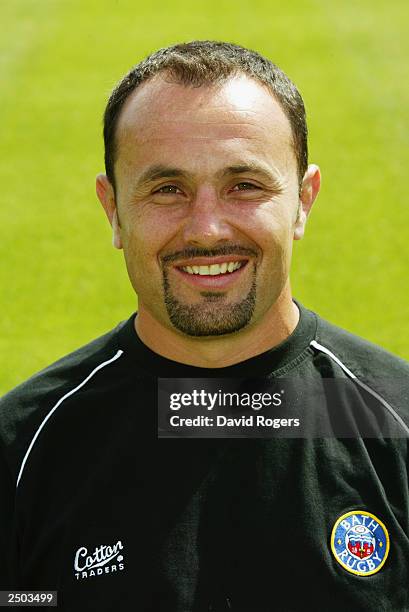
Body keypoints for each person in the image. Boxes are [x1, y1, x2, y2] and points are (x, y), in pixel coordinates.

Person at [0, 40, 408, 612]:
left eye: (245, 185)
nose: (208, 228)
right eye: (168, 189)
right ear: (113, 209)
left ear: (304, 200)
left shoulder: (398, 425)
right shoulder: (22, 447)